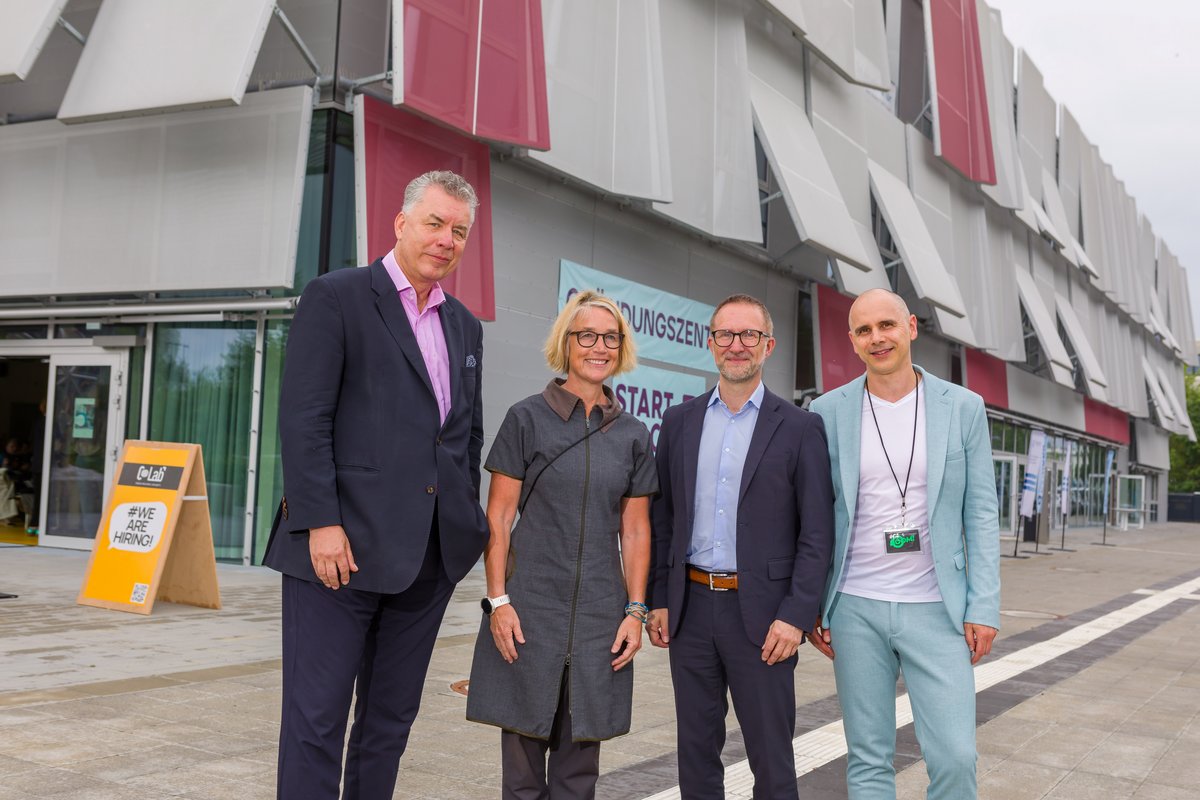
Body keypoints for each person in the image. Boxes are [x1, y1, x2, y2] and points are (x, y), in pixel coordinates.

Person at [263, 170, 488, 800]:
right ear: (401, 223)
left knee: (389, 723)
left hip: (426, 561)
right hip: (337, 553)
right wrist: (320, 523)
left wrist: (462, 525)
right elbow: (304, 420)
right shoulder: (337, 296)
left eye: (459, 231)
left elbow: (462, 436)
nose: (446, 239)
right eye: (436, 223)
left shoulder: (465, 327)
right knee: (316, 722)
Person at [809, 287, 1001, 799]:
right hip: (854, 606)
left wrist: (984, 604)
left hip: (939, 608)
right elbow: (815, 515)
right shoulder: (827, 411)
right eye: (864, 330)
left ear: (911, 327)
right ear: (851, 341)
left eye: (887, 326)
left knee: (956, 758)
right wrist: (815, 603)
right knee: (868, 758)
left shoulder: (962, 407)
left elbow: (981, 512)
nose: (878, 338)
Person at [467, 290, 657, 799]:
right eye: (587, 336)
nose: (599, 347)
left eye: (610, 337)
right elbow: (500, 517)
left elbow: (636, 530)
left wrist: (635, 611)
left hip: (600, 618)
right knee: (523, 775)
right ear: (566, 343)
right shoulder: (526, 418)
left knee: (578, 777)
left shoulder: (634, 434)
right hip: (528, 612)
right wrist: (498, 603)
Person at [647, 293, 834, 799]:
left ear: (767, 345)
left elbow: (817, 533)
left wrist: (796, 616)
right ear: (710, 344)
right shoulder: (678, 422)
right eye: (725, 335)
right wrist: (659, 599)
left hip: (766, 618)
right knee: (696, 754)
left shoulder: (800, 427)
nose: (736, 345)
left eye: (748, 335)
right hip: (690, 612)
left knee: (771, 760)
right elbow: (663, 520)